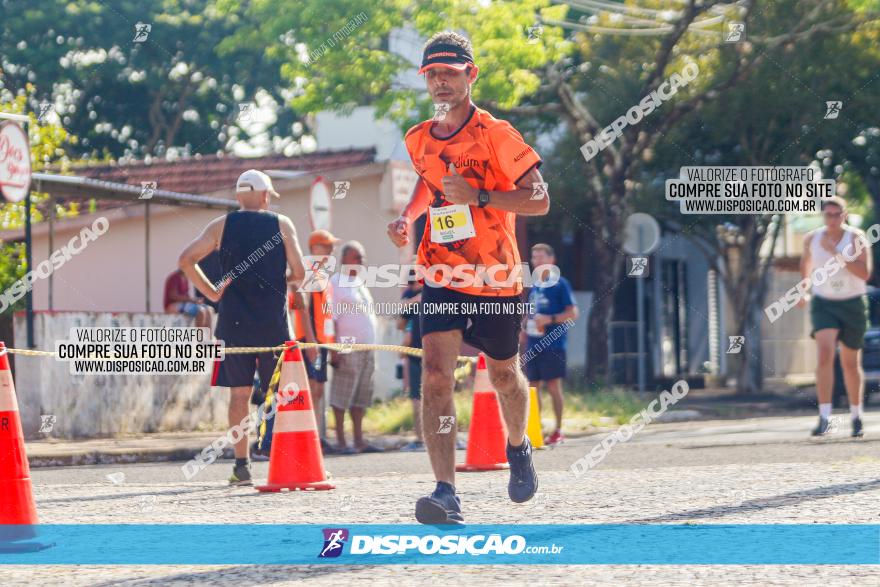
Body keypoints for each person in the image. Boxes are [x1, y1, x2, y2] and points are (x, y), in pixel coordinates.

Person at [386, 31, 549, 524]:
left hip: (497, 275)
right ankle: (444, 491)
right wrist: (408, 216)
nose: (440, 82)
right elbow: (428, 181)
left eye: (449, 73)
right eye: (432, 74)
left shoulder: (497, 135)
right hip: (440, 271)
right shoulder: (417, 138)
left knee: (503, 374)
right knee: (435, 374)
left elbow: (539, 198)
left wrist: (478, 197)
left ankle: (517, 447)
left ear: (470, 75)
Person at [178, 169, 317, 486]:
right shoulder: (281, 224)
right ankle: (281, 459)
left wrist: (212, 292)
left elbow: (186, 259)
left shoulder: (221, 225)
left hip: (233, 323)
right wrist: (278, 281)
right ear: (266, 195)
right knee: (279, 395)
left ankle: (242, 465)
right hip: (273, 324)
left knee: (238, 395)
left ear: (239, 196)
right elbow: (298, 272)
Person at [799, 196, 872, 438]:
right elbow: (806, 265)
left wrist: (838, 254)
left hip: (852, 303)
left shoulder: (857, 238)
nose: (831, 219)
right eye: (827, 215)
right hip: (824, 303)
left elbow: (864, 274)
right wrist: (802, 291)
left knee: (850, 363)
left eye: (836, 215)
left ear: (844, 215)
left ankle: (856, 416)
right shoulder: (812, 238)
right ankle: (824, 417)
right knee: (824, 353)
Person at [520, 243, 579, 446]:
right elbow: (530, 313)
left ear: (552, 260)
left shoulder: (561, 284)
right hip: (533, 344)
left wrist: (550, 319)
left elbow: (573, 313)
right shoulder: (534, 287)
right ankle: (535, 428)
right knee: (532, 387)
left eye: (541, 257)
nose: (537, 261)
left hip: (554, 344)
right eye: (534, 257)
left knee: (553, 386)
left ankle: (558, 430)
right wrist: (523, 327)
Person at [329, 240, 382, 454]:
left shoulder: (359, 283)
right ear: (344, 260)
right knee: (342, 394)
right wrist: (333, 350)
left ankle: (359, 440)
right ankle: (341, 441)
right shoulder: (336, 283)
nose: (362, 262)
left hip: (368, 348)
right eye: (357, 258)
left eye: (363, 258)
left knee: (362, 396)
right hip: (347, 346)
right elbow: (330, 318)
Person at [291, 229, 340, 454]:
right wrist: (311, 342)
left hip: (321, 342)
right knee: (311, 389)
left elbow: (325, 314)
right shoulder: (310, 272)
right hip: (310, 341)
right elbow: (302, 308)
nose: (332, 250)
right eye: (327, 246)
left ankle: (316, 437)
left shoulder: (322, 275)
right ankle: (306, 437)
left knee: (318, 390)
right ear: (315, 248)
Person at [399, 272, 425, 451]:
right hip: (414, 352)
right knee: (416, 396)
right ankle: (420, 437)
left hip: (434, 352)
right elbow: (400, 323)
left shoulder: (433, 290)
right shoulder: (409, 295)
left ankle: (443, 434)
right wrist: (414, 301)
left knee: (438, 394)